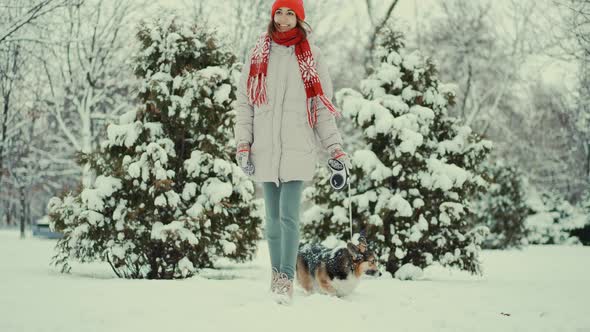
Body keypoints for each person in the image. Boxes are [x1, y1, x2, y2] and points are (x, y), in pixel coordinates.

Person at [233, 0, 351, 304]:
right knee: (271, 219)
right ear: (273, 14)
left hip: (298, 147)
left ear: (299, 18)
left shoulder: (312, 56)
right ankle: (276, 275)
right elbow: (245, 103)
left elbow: (321, 107)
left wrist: (335, 149)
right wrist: (243, 143)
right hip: (266, 149)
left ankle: (286, 277)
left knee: (288, 217)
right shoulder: (258, 53)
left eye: (290, 13)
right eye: (279, 12)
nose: (283, 19)